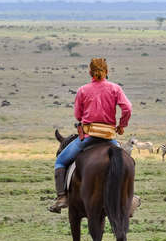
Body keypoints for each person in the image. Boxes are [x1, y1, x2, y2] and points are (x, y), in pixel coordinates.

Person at [49, 58, 133, 213]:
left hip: (88, 137)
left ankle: (62, 197)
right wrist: (122, 125)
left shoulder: (83, 90)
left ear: (90, 72)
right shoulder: (115, 89)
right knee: (128, 162)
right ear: (107, 72)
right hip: (109, 137)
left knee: (60, 162)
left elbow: (77, 115)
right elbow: (127, 107)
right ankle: (129, 198)